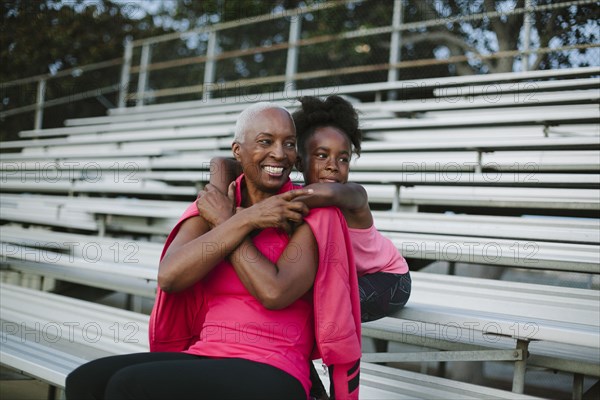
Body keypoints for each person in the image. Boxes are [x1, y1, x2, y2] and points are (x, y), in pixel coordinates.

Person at [65, 102, 362, 400]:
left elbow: (274, 292)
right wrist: (243, 219)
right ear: (238, 151)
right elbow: (170, 276)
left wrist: (227, 222)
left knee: (129, 386)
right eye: (265, 141)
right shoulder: (213, 205)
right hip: (208, 353)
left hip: (275, 367)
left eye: (288, 143)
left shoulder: (312, 212)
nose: (279, 153)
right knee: (85, 380)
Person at [211, 95, 411, 323]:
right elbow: (222, 162)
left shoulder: (353, 195)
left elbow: (328, 194)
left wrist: (246, 215)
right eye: (322, 156)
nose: (333, 166)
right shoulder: (298, 193)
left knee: (310, 299)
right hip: (343, 275)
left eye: (343, 159)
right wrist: (218, 193)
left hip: (388, 278)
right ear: (299, 162)